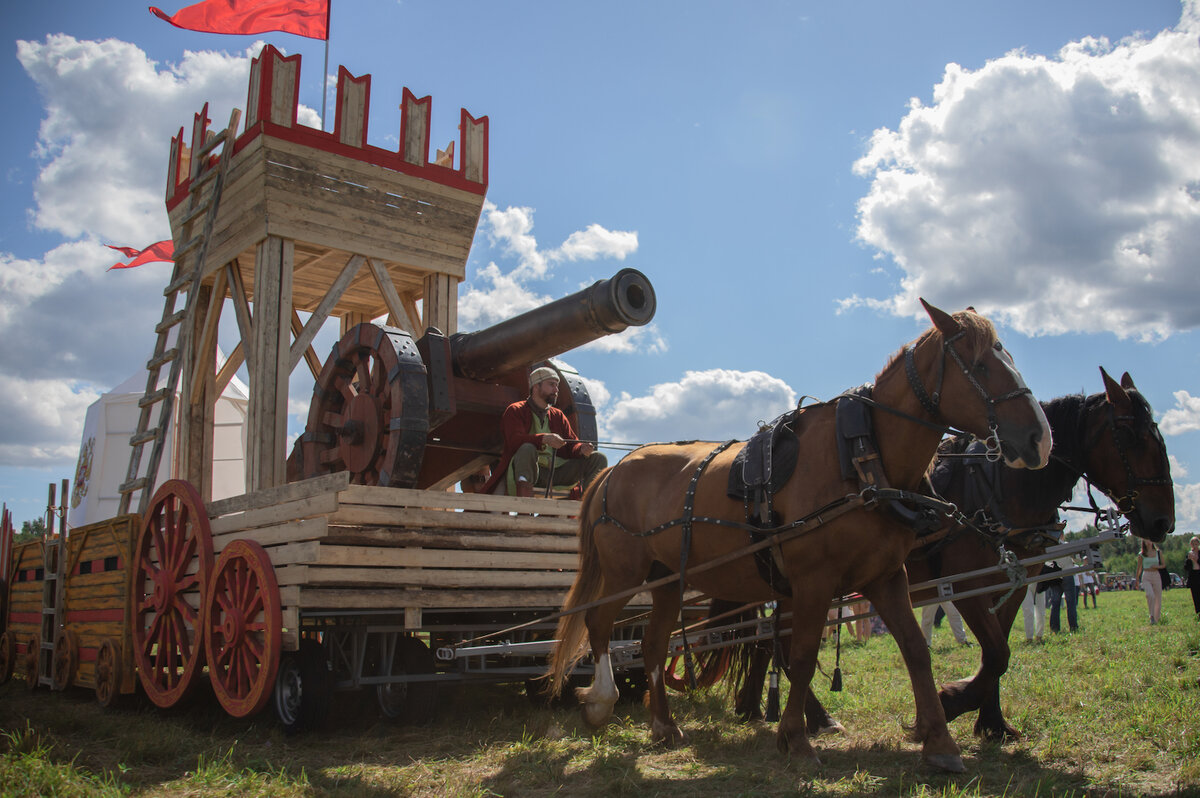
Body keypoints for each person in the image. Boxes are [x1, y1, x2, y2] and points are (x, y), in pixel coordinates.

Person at [480, 367, 607, 498]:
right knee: (526, 448)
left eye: (557, 386)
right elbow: (514, 441)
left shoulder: (558, 415)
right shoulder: (515, 410)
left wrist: (581, 449)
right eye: (551, 385)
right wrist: (544, 439)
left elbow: (571, 445)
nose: (556, 390)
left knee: (598, 458)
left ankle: (588, 507)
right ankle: (524, 508)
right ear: (536, 386)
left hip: (558, 473)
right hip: (531, 472)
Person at [1136, 539, 1167, 625]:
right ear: (1143, 543)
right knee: (1150, 595)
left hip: (1156, 575)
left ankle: (1157, 618)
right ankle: (1152, 616)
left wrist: (1156, 566)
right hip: (1146, 575)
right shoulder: (1141, 554)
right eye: (1146, 541)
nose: (1148, 542)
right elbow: (1139, 568)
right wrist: (1137, 580)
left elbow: (1163, 565)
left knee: (1158, 598)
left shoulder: (1158, 552)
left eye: (1149, 540)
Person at [1183, 535, 1200, 619]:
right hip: (1193, 576)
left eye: (1196, 543)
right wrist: (1189, 560)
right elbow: (1186, 568)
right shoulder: (1189, 554)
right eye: (1192, 543)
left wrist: (1195, 559)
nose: (1194, 545)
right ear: (1190, 544)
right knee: (1195, 595)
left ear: (1198, 543)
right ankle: (1198, 613)